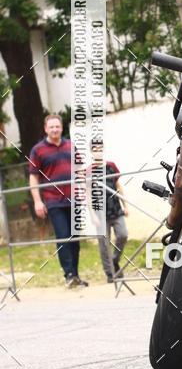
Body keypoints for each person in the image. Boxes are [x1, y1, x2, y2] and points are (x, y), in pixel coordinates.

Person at [28, 114, 88, 288]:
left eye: (57, 126)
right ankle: (68, 275)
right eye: (51, 127)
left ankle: (75, 275)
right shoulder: (38, 150)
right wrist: (37, 202)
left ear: (62, 128)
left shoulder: (71, 145)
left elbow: (80, 170)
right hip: (53, 201)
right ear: (46, 129)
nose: (55, 129)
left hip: (74, 200)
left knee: (75, 238)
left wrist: (82, 190)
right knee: (63, 237)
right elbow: (33, 177)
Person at [98, 161, 129, 282]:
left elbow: (118, 186)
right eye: (94, 149)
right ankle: (110, 274)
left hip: (116, 209)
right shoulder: (89, 171)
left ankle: (114, 261)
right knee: (104, 244)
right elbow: (89, 194)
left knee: (123, 235)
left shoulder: (110, 166)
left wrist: (125, 205)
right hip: (100, 214)